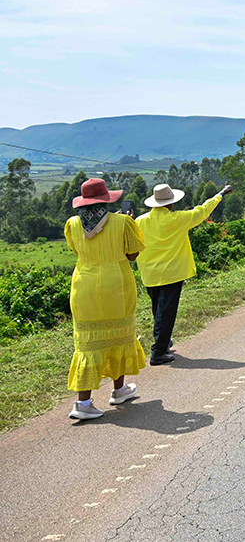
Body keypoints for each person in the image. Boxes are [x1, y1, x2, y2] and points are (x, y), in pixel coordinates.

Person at [65, 178, 146, 420]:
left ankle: (84, 402)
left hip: (84, 286)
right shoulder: (123, 221)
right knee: (118, 335)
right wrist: (127, 221)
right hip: (117, 286)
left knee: (88, 342)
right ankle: (118, 390)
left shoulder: (72, 224)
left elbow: (78, 251)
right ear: (106, 199)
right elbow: (132, 255)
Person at [136, 183, 233, 365]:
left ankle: (163, 342)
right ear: (171, 204)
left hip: (149, 273)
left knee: (158, 309)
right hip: (171, 273)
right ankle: (158, 352)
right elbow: (202, 211)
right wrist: (219, 194)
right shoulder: (179, 219)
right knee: (167, 312)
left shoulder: (140, 221)